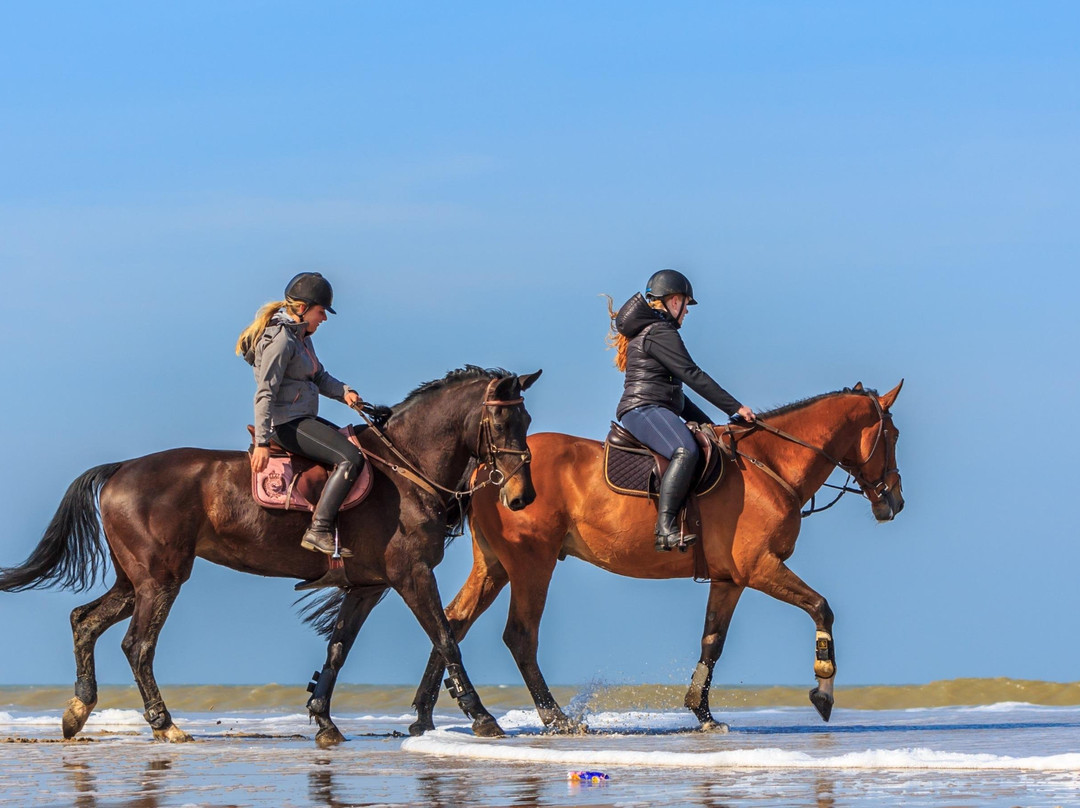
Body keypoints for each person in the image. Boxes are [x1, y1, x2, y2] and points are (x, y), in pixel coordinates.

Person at [608, 269, 755, 551]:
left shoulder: (656, 331)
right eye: (686, 304)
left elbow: (677, 395)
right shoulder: (660, 332)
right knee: (685, 450)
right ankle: (665, 529)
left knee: (710, 440)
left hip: (656, 407)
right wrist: (735, 406)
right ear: (673, 301)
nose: (687, 311)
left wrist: (716, 424)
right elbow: (692, 374)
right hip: (642, 409)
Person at [236, 272, 364, 557]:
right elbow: (265, 393)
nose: (324, 319)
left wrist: (345, 393)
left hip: (302, 419)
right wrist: (262, 443)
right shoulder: (282, 341)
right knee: (350, 458)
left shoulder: (302, 337)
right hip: (286, 424)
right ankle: (318, 530)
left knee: (355, 444)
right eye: (322, 312)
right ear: (304, 308)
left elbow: (318, 376)